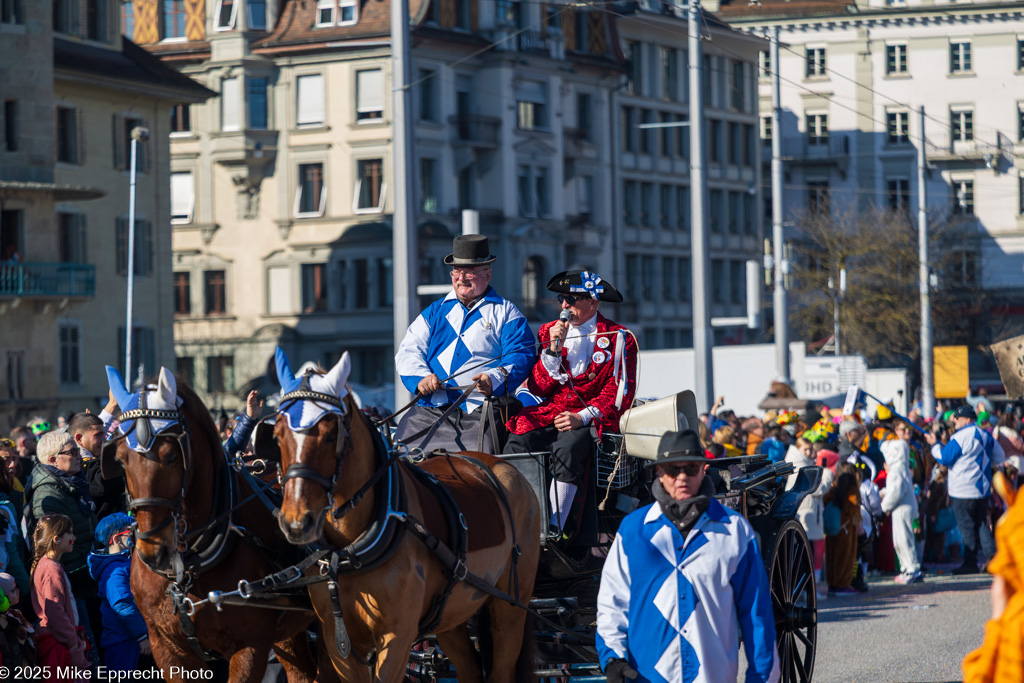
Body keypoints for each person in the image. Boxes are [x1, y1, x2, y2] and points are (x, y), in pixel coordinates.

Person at [596, 429, 779, 683]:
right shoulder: (632, 530)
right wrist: (612, 657)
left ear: (704, 468)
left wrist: (762, 678)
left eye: (691, 467)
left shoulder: (735, 531)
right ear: (659, 472)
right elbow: (612, 602)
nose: (682, 476)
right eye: (672, 469)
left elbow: (756, 614)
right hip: (648, 677)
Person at [505, 270, 637, 533]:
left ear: (593, 302)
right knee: (518, 438)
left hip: (587, 417)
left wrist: (583, 417)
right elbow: (539, 387)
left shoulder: (619, 337)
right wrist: (553, 349)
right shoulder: (547, 330)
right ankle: (513, 514)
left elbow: (620, 391)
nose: (565, 306)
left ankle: (554, 527)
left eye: (573, 299)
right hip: (552, 410)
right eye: (561, 299)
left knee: (567, 448)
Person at [394, 235, 535, 453]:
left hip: (482, 410)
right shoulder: (434, 312)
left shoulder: (506, 312)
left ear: (487, 274)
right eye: (456, 272)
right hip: (431, 410)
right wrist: (421, 377)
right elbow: (409, 351)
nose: (461, 278)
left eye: (469, 272)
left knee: (482, 466)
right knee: (399, 457)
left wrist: (493, 378)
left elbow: (520, 355)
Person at [27, 432, 99, 654]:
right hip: (74, 578)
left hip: (86, 575)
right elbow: (53, 543)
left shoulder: (72, 482)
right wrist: (85, 568)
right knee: (85, 646)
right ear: (52, 460)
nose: (79, 456)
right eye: (73, 452)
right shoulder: (47, 493)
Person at [925, 404, 1004, 575]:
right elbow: (1000, 456)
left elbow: (945, 459)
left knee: (966, 526)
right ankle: (992, 557)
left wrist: (934, 445)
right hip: (982, 488)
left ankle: (970, 563)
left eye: (957, 418)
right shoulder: (986, 435)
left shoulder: (960, 437)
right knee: (982, 523)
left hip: (962, 489)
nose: (955, 421)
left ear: (967, 419)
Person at [86, 514, 148, 671]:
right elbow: (122, 605)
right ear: (117, 539)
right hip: (120, 641)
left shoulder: (124, 564)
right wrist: (142, 636)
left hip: (128, 637)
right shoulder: (114, 571)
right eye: (130, 531)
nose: (135, 535)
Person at [31, 514, 89, 677]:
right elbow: (55, 612)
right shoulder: (51, 569)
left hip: (60, 640)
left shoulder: (50, 565)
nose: (74, 537)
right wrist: (72, 643)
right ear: (56, 539)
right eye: (70, 533)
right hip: (60, 645)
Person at [880, 439, 922, 584]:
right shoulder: (902, 468)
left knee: (904, 539)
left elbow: (896, 492)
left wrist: (883, 507)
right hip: (903, 507)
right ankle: (906, 567)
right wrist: (885, 492)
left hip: (902, 508)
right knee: (900, 540)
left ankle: (912, 569)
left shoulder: (896, 470)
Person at [824, 463, 862, 596]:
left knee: (831, 556)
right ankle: (842, 584)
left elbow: (825, 499)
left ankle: (832, 584)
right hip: (846, 530)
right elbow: (854, 510)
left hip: (832, 528)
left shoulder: (833, 488)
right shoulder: (852, 491)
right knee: (845, 557)